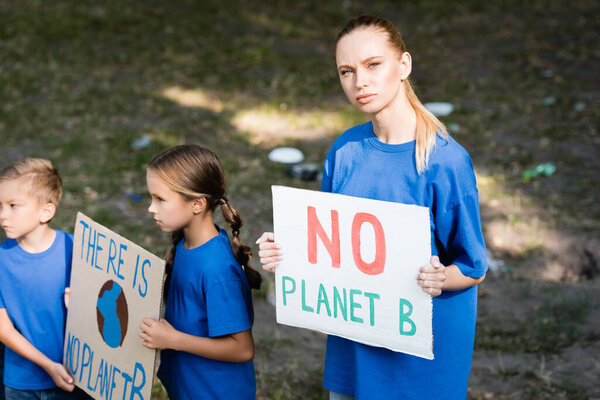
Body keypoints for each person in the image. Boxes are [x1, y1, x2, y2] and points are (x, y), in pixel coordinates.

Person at [256, 15, 487, 400]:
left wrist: (441, 278)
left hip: (422, 358)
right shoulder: (344, 152)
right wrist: (287, 249)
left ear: (404, 65)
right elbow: (330, 246)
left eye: (372, 64)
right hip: (357, 342)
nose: (359, 81)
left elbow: (473, 266)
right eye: (346, 71)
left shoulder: (446, 161)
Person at [139, 144, 262, 400]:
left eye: (160, 199)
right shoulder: (185, 245)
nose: (151, 208)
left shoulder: (217, 270)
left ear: (197, 204)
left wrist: (172, 340)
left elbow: (242, 349)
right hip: (188, 387)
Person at [0, 158, 75, 400]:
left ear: (46, 211)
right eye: (0, 206)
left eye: (13, 205)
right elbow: (3, 330)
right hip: (22, 384)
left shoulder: (75, 249)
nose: (3, 215)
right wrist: (48, 365)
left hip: (75, 378)